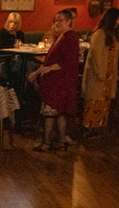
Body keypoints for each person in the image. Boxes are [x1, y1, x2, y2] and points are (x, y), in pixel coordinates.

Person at [29, 9, 80, 152]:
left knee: (50, 112)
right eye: (56, 20)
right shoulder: (61, 36)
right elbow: (49, 59)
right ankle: (61, 141)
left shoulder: (70, 38)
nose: (57, 23)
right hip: (56, 81)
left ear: (69, 21)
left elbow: (67, 62)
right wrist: (37, 72)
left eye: (60, 20)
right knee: (59, 113)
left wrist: (49, 69)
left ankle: (47, 142)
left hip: (60, 82)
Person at [82, 7, 119, 135]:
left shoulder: (111, 35)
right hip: (99, 75)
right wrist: (100, 73)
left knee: (104, 102)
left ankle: (98, 128)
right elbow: (95, 55)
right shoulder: (99, 34)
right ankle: (90, 128)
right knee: (94, 101)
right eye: (117, 19)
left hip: (108, 75)